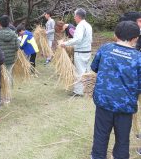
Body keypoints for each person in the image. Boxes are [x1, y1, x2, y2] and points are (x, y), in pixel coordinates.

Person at [90, 21, 141, 159]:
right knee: (123, 139)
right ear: (135, 38)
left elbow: (94, 67)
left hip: (103, 102)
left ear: (115, 35)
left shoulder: (105, 49)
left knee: (100, 135)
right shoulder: (138, 58)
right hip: (125, 106)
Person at [60, 8, 93, 96]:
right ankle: (88, 89)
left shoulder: (80, 26)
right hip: (87, 51)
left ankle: (78, 92)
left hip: (81, 52)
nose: (74, 18)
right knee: (87, 70)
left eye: (74, 16)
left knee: (79, 72)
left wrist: (65, 43)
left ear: (78, 16)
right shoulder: (88, 25)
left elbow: (78, 39)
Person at [0, 15, 19, 87]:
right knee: (9, 74)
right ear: (8, 23)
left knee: (0, 76)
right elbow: (17, 47)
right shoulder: (14, 34)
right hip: (10, 59)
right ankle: (8, 94)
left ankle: (2, 94)